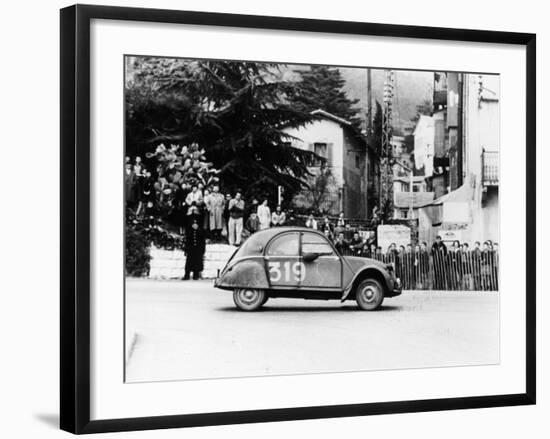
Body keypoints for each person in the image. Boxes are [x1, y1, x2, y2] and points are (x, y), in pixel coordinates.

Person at [183, 216, 206, 280]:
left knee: (197, 263)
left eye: (196, 224)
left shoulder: (200, 231)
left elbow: (203, 242)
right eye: (193, 224)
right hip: (191, 249)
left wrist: (203, 250)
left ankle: (195, 275)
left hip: (197, 249)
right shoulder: (189, 231)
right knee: (188, 263)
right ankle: (186, 275)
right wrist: (186, 250)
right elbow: (187, 241)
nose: (194, 225)